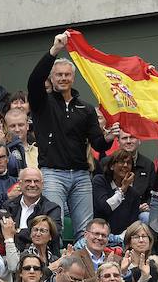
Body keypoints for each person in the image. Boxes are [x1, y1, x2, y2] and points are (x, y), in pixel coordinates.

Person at [27, 32, 117, 242]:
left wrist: (109, 137)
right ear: (52, 77)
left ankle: (84, 271)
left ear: (73, 77)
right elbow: (34, 80)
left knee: (84, 230)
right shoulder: (42, 102)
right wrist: (55, 50)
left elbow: (97, 142)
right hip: (52, 173)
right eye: (59, 74)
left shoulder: (85, 108)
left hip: (81, 176)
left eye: (67, 74)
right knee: (53, 226)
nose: (63, 78)